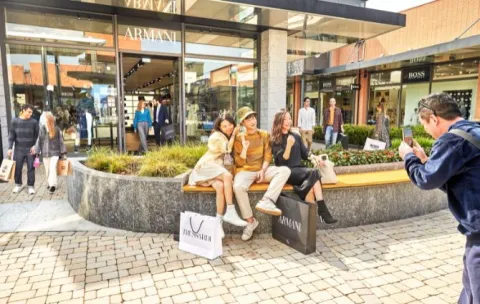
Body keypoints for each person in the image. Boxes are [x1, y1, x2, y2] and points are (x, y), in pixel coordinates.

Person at [398, 93, 480, 303]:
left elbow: (425, 180)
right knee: (469, 291)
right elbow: (460, 177)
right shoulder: (474, 130)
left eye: (424, 124)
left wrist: (408, 157)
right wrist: (426, 160)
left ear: (434, 118)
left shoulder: (452, 140)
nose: (425, 130)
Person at [233, 107, 291, 241]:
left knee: (285, 171)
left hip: (261, 170)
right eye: (248, 119)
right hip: (245, 171)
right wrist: (245, 149)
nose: (252, 121)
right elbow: (239, 163)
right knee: (238, 187)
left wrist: (263, 170)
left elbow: (268, 156)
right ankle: (251, 221)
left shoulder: (264, 135)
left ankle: (267, 200)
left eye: (253, 117)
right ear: (243, 123)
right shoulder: (239, 138)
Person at [271, 110, 337, 224]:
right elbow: (281, 160)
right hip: (286, 172)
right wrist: (288, 146)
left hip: (299, 170)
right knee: (313, 173)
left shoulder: (296, 136)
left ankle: (308, 223)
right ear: (279, 121)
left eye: (289, 118)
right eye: (285, 119)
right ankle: (322, 208)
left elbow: (305, 153)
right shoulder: (275, 139)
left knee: (311, 188)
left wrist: (315, 158)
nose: (288, 121)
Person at [189, 114, 248, 237]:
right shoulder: (217, 136)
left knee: (220, 186)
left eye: (230, 125)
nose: (228, 128)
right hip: (206, 167)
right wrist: (233, 134)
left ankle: (218, 224)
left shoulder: (226, 136)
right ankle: (230, 210)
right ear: (219, 127)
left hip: (215, 170)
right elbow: (226, 149)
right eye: (224, 126)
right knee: (227, 176)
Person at [7, 104, 39, 195]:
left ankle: (31, 186)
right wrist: (9, 148)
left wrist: (35, 146)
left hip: (30, 149)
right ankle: (18, 184)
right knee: (17, 168)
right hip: (18, 149)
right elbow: (11, 136)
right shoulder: (15, 121)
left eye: (32, 112)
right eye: (29, 112)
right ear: (23, 110)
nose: (31, 114)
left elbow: (38, 136)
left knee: (31, 168)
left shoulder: (34, 122)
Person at [34, 113, 67, 194]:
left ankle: (52, 186)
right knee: (47, 170)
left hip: (55, 153)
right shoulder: (42, 129)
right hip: (45, 153)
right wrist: (37, 153)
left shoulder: (57, 129)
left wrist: (63, 153)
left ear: (50, 120)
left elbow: (61, 142)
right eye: (43, 119)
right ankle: (51, 183)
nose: (44, 121)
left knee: (52, 168)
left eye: (45, 119)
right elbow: (39, 140)